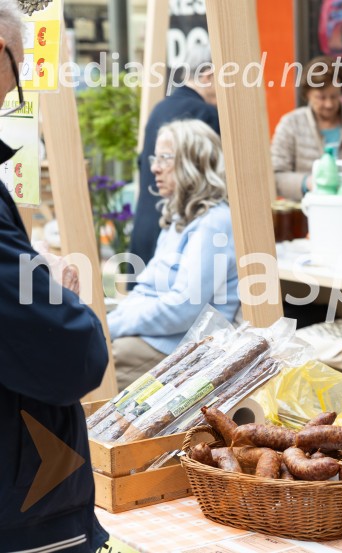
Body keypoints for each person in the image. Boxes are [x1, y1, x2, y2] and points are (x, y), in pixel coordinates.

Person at [0, 0, 110, 549]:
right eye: (17, 73)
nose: (9, 96)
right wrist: (66, 302)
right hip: (21, 501)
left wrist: (29, 276)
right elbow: (73, 358)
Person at [108, 120, 240, 391]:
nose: (154, 167)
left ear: (195, 163)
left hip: (186, 348)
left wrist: (111, 325)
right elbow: (151, 292)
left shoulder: (213, 222)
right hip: (163, 339)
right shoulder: (181, 216)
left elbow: (182, 308)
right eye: (155, 158)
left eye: (165, 158)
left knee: (93, 360)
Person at [130, 43, 220, 268]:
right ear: (208, 76)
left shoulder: (161, 107)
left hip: (145, 227)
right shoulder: (206, 114)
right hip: (181, 235)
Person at [270, 55, 342, 200]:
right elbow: (277, 174)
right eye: (321, 97)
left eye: (334, 96)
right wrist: (308, 183)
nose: (329, 104)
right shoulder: (291, 125)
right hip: (306, 212)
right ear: (307, 95)